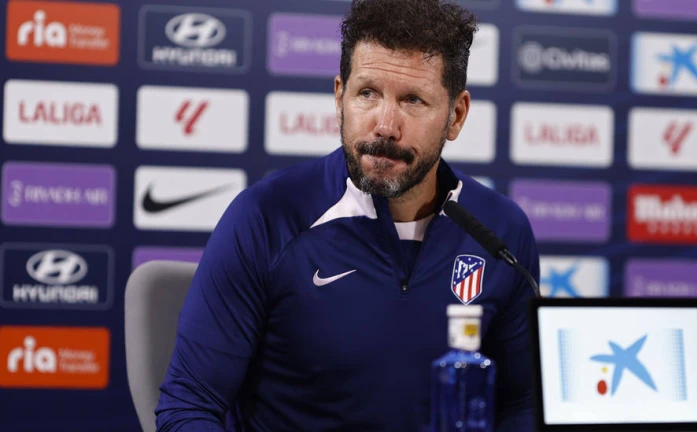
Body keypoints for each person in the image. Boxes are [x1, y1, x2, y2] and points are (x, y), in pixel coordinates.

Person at [154, 0, 540, 430]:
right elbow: (187, 407)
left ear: (457, 115)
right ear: (340, 98)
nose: (385, 125)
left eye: (413, 100)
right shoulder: (266, 217)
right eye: (368, 93)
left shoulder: (499, 233)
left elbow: (524, 404)